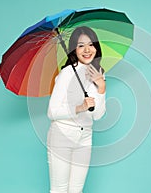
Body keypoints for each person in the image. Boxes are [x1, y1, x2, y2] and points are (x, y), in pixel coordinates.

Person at [47, 26, 106, 193]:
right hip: (62, 136)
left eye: (91, 44)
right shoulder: (66, 73)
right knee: (59, 189)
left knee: (76, 190)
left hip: (85, 137)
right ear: (74, 49)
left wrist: (101, 87)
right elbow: (52, 112)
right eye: (81, 45)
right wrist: (80, 107)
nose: (87, 50)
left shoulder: (99, 74)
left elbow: (98, 115)